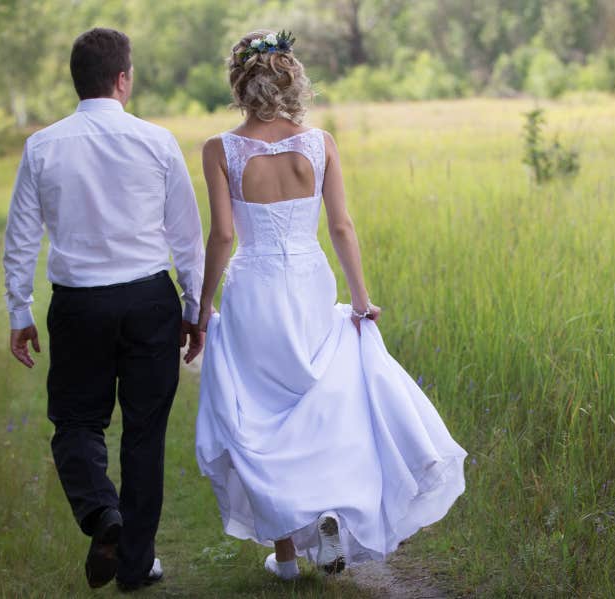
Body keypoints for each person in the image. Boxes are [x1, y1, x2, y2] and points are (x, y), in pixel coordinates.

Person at [193, 29, 467, 581]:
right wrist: (361, 302)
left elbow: (223, 237)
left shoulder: (220, 150)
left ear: (241, 83)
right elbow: (341, 226)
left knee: (265, 414)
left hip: (255, 286)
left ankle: (289, 558)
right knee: (315, 400)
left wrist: (202, 312)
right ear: (290, 79)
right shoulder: (320, 145)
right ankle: (328, 517)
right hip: (309, 281)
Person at [2, 27, 205, 590]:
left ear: (78, 81)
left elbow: (22, 236)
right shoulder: (158, 141)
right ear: (122, 79)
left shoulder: (43, 145)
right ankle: (135, 565)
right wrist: (195, 306)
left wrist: (19, 311)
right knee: (144, 434)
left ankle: (103, 516)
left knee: (75, 424)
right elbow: (186, 235)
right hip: (148, 300)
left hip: (79, 307)